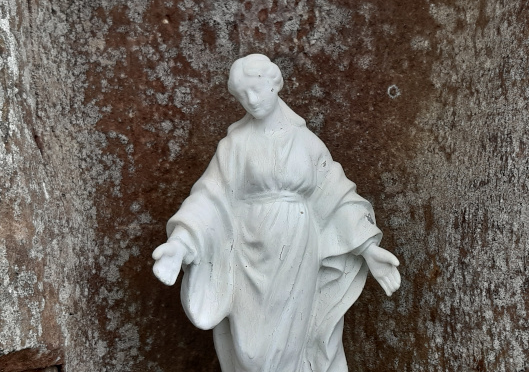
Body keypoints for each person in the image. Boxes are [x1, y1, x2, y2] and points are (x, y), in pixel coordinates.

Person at [152, 54, 401, 372]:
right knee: (251, 353)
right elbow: (210, 199)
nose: (251, 100)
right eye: (242, 95)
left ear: (275, 83)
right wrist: (180, 244)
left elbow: (336, 196)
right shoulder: (235, 145)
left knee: (294, 342)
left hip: (298, 250)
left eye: (256, 90)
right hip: (248, 250)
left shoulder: (307, 142)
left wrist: (368, 249)